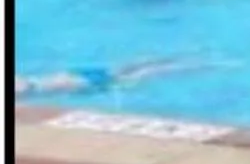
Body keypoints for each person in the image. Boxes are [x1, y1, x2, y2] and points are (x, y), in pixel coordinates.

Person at [16, 58, 197, 98]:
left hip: (82, 83)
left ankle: (185, 66)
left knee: (140, 75)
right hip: (72, 74)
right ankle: (180, 61)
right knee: (126, 70)